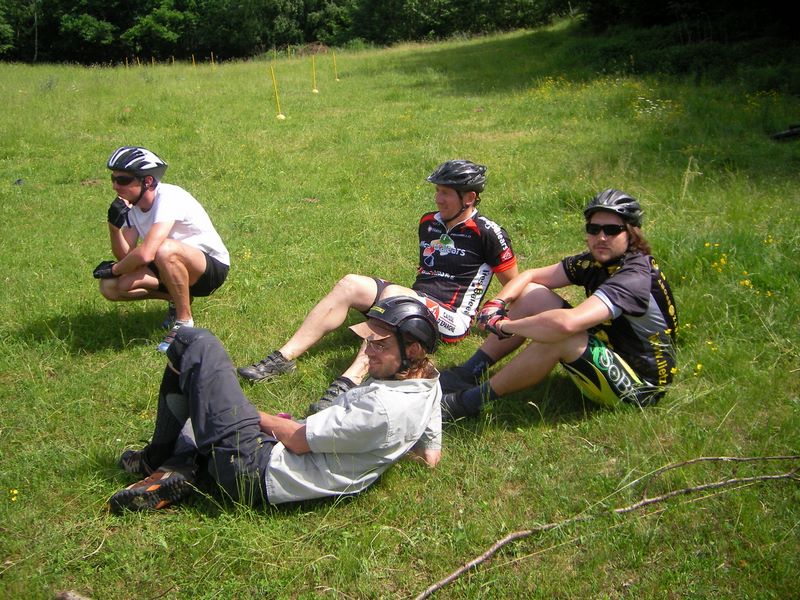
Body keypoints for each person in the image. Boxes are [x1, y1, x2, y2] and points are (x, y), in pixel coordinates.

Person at [107, 296, 442, 513]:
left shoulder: (382, 408)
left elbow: (297, 439)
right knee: (203, 412)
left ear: (412, 350)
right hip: (270, 462)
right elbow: (430, 456)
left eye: (379, 344)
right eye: (368, 340)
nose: (367, 351)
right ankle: (180, 468)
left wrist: (246, 413)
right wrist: (383, 450)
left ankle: (155, 460)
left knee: (193, 343)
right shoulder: (427, 383)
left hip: (254, 471)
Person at [237, 159, 518, 414]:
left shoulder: (487, 233)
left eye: (445, 193)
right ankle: (284, 357)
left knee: (395, 297)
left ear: (469, 198)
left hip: (451, 319)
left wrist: (501, 320)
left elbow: (515, 284)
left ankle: (349, 380)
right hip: (416, 302)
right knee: (349, 284)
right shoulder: (428, 222)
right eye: (437, 191)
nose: (438, 198)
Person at [440, 189, 678, 420]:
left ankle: (466, 403)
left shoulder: (634, 277)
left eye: (612, 230)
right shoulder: (597, 262)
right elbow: (530, 276)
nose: (601, 237)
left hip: (640, 388)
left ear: (632, 233)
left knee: (562, 335)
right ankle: (469, 371)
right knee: (533, 294)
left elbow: (567, 325)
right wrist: (497, 303)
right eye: (593, 229)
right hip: (612, 351)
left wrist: (505, 325)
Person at [93, 146, 230, 335]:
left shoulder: (169, 197)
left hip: (209, 267)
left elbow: (146, 254)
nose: (115, 186)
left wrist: (114, 269)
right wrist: (114, 228)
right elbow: (126, 257)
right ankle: (176, 297)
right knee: (110, 286)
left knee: (164, 249)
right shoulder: (131, 206)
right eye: (113, 179)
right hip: (167, 263)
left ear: (148, 181)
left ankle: (184, 323)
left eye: (123, 180)